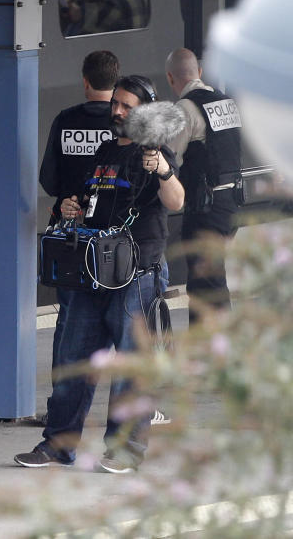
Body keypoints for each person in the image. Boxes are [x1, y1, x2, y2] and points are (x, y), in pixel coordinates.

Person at [15, 75, 184, 473]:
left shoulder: (156, 152)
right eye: (116, 105)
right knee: (74, 360)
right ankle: (58, 445)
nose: (118, 111)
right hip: (92, 273)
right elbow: (81, 200)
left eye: (127, 106)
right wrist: (69, 208)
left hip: (136, 276)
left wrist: (160, 169)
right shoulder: (104, 151)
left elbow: (176, 200)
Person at [39, 50, 119, 413]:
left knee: (70, 318)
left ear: (84, 81)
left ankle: (62, 398)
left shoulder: (66, 120)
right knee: (123, 319)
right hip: (117, 240)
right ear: (115, 82)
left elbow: (48, 179)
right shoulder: (124, 126)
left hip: (73, 234)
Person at [164, 48, 242, 325]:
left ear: (170, 77)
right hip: (231, 204)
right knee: (213, 278)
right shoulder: (226, 102)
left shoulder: (184, 110)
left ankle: (213, 353)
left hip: (205, 209)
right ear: (198, 72)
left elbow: (170, 159)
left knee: (205, 285)